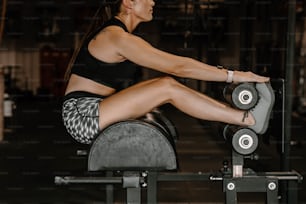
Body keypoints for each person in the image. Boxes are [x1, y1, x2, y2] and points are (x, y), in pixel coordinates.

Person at [62, 0, 274, 144]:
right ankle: (246, 119)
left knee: (166, 83)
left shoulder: (118, 35)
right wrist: (236, 75)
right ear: (128, 2)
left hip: (94, 109)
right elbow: (180, 66)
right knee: (167, 87)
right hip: (83, 116)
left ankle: (242, 116)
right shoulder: (116, 37)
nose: (153, 2)